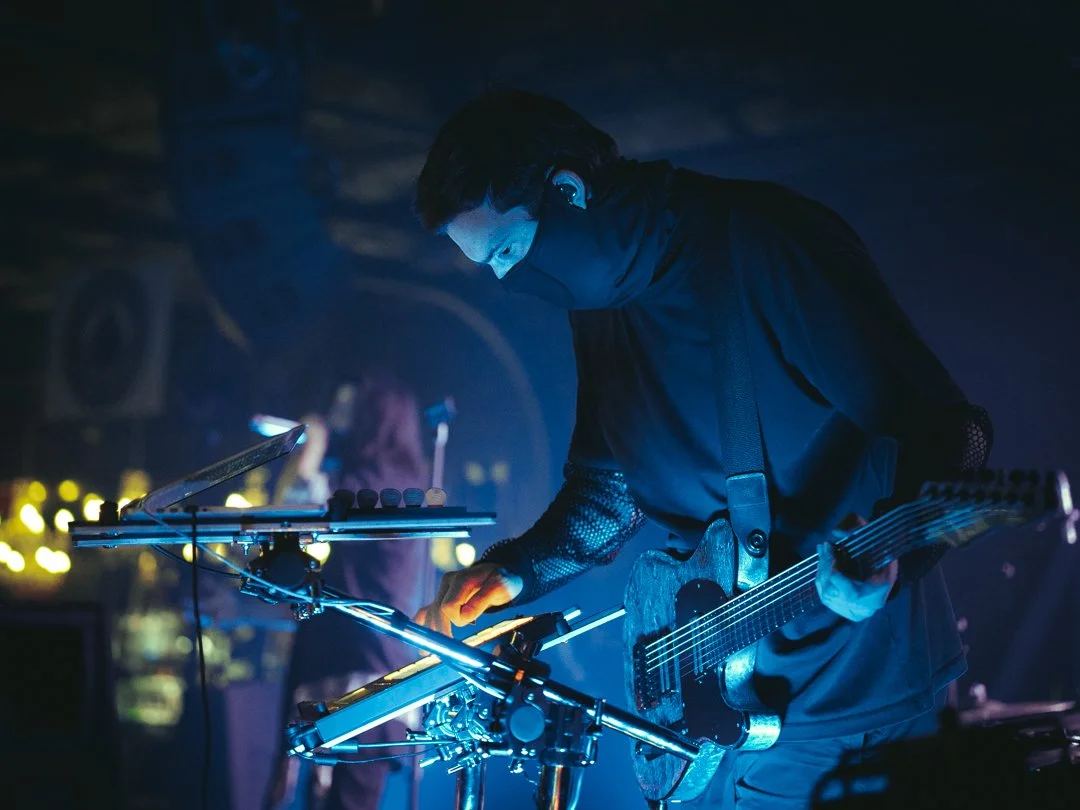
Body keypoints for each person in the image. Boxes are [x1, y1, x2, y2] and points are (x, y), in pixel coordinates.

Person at [410, 89, 993, 808]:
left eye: (505, 249)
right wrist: (511, 572)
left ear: (568, 189)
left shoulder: (765, 241)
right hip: (712, 713)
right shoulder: (598, 308)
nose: (505, 279)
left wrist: (896, 556)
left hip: (851, 700)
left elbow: (950, 431)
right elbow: (608, 488)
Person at [264, 373, 430, 810]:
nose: (340, 423)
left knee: (345, 800)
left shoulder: (378, 480)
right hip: (359, 657)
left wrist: (311, 448)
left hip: (361, 664)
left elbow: (294, 512)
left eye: (348, 412)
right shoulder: (385, 476)